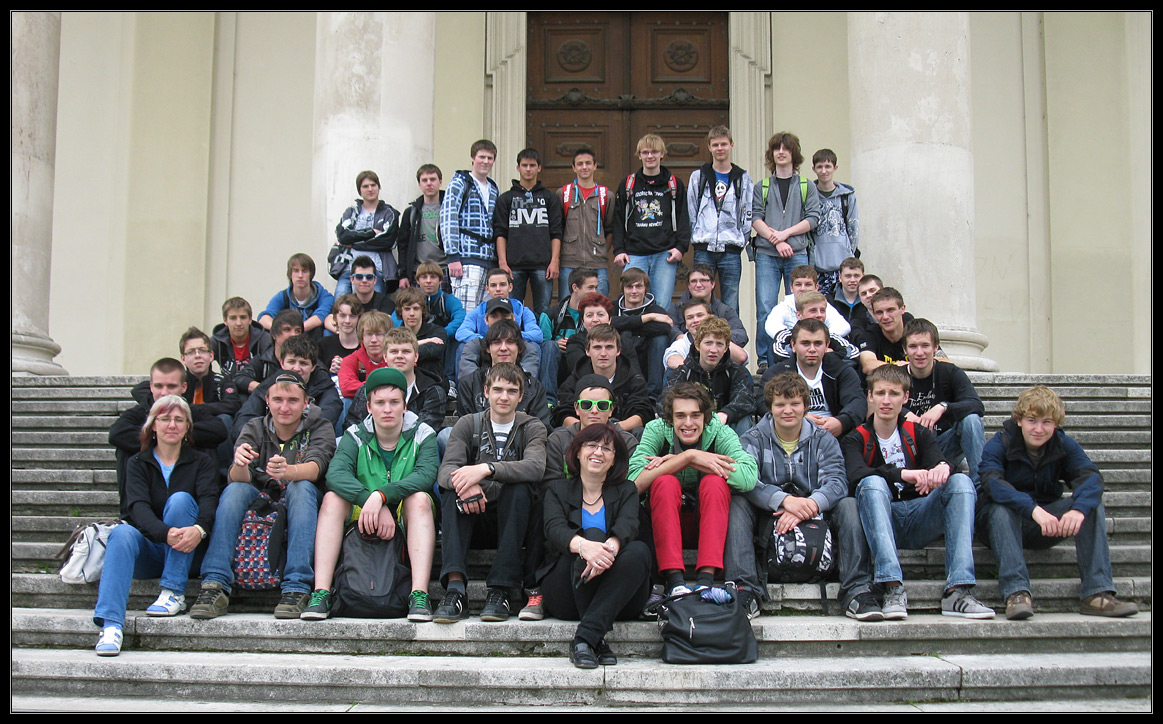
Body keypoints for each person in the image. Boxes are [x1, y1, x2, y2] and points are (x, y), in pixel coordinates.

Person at [842, 365, 994, 620]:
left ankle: (958, 591)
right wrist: (903, 474)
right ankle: (891, 587)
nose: (886, 400)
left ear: (906, 398)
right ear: (870, 396)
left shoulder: (918, 433)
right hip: (882, 518)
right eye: (880, 393)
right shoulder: (855, 437)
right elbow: (854, 474)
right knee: (871, 483)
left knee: (961, 482)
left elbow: (937, 459)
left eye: (894, 393)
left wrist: (943, 468)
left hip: (921, 515)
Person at [977, 386, 1138, 620]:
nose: (1039, 429)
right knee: (1001, 508)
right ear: (1019, 420)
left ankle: (1096, 593)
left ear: (1055, 424)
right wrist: (1033, 509)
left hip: (1045, 525)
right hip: (998, 525)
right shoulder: (1000, 443)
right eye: (1032, 421)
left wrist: (1078, 510)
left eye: (1047, 422)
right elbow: (992, 483)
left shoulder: (1063, 445)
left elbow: (1091, 477)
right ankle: (1017, 593)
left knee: (1091, 504)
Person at [727, 373, 876, 620]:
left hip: (815, 514)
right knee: (738, 503)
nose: (788, 410)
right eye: (780, 404)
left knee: (849, 505)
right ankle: (745, 589)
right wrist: (784, 500)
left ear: (806, 406)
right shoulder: (752, 439)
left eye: (795, 403)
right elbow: (747, 482)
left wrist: (810, 504)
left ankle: (857, 590)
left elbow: (837, 481)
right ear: (770, 407)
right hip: (769, 515)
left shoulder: (824, 439)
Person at [189, 372, 335, 621]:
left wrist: (288, 471)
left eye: (293, 400)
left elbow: (316, 468)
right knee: (234, 490)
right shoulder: (254, 426)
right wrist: (240, 463)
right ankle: (215, 584)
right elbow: (237, 478)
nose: (284, 407)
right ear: (267, 400)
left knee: (301, 487)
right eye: (278, 400)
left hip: (303, 500)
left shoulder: (320, 426)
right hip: (262, 497)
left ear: (305, 402)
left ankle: (297, 586)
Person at [300, 367, 439, 622]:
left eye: (394, 402)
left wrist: (382, 496)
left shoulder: (423, 434)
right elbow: (336, 475)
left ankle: (419, 595)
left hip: (403, 511)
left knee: (420, 499)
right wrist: (370, 500)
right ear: (368, 407)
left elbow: (426, 475)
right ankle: (321, 592)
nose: (387, 409)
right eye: (380, 403)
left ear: (405, 406)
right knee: (332, 499)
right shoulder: (354, 435)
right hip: (362, 510)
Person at [93, 395, 218, 656]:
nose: (172, 425)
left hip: (190, 551)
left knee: (181, 500)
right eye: (165, 419)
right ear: (153, 426)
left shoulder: (201, 461)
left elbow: (209, 501)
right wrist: (164, 533)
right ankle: (111, 625)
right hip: (152, 550)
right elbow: (137, 508)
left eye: (179, 420)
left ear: (187, 427)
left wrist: (199, 530)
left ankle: (173, 592)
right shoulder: (137, 463)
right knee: (121, 532)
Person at [434, 362, 548, 623]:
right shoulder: (468, 423)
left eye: (511, 391)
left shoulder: (532, 426)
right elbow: (445, 471)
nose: (504, 397)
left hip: (513, 522)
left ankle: (500, 590)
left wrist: (486, 469)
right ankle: (455, 590)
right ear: (486, 392)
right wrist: (465, 485)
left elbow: (535, 467)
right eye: (498, 389)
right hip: (474, 518)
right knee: (452, 491)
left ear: (521, 396)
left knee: (519, 488)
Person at [538, 423, 652, 669]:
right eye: (591, 445)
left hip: (620, 595)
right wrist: (584, 547)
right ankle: (594, 636)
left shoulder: (627, 490)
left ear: (614, 459)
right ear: (578, 452)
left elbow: (629, 525)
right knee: (590, 537)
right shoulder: (557, 490)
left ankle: (586, 638)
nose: (598, 452)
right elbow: (554, 529)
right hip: (566, 592)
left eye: (607, 448)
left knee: (639, 551)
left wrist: (605, 550)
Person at [628, 382, 758, 595]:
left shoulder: (719, 431)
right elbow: (633, 483)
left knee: (715, 482)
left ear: (706, 417)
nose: (688, 423)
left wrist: (695, 461)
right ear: (670, 419)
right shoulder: (656, 429)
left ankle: (706, 578)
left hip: (707, 522)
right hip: (662, 522)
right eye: (680, 416)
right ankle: (675, 581)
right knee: (664, 482)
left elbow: (748, 477)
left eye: (695, 415)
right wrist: (687, 458)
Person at [108, 359, 228, 519]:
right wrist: (162, 439)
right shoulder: (139, 412)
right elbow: (116, 434)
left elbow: (219, 431)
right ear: (151, 387)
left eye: (171, 386)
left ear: (184, 387)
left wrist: (176, 436)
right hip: (149, 481)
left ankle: (205, 514)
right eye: (159, 386)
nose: (164, 393)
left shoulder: (194, 412)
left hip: (186, 494)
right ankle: (129, 516)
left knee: (208, 444)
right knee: (124, 449)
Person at [751, 131, 821, 367]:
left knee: (802, 304)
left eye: (786, 148)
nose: (781, 152)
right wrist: (776, 240)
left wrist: (785, 234)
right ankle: (766, 359)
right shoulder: (762, 186)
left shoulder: (806, 186)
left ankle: (797, 353)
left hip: (797, 252)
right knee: (765, 307)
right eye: (776, 149)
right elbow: (755, 218)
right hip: (767, 254)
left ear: (794, 153)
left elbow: (813, 218)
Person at [902, 318, 986, 483]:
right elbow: (875, 403)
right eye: (913, 346)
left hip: (943, 445)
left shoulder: (950, 372)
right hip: (908, 450)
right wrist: (903, 413)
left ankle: (980, 485)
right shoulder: (896, 375)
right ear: (905, 349)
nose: (919, 352)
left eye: (925, 345)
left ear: (936, 347)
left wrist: (943, 407)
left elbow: (976, 405)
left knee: (971, 420)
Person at [612, 133, 691, 306]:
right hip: (634, 254)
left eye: (654, 152)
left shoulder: (674, 184)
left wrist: (681, 247)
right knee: (632, 302)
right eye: (645, 152)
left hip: (664, 254)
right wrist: (619, 250)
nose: (650, 156)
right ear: (639, 155)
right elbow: (618, 219)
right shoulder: (628, 184)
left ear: (662, 154)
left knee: (661, 304)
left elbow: (683, 218)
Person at [686, 126, 754, 314]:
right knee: (699, 299)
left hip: (731, 249)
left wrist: (740, 239)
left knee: (731, 300)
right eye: (715, 145)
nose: (720, 148)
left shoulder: (742, 178)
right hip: (704, 248)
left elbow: (748, 212)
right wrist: (697, 236)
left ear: (731, 145)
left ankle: (731, 333)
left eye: (723, 144)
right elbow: (691, 210)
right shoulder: (698, 176)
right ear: (709, 147)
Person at [761, 318, 866, 438]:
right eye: (805, 343)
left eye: (818, 343)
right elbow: (763, 403)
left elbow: (857, 401)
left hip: (833, 434)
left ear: (827, 345)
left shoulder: (841, 370)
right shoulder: (777, 373)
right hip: (789, 432)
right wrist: (799, 417)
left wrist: (841, 422)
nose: (812, 349)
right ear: (793, 345)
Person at [494, 147, 563, 318]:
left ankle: (541, 336)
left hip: (543, 264)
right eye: (524, 165)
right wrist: (503, 262)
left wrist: (554, 261)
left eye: (532, 165)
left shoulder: (550, 198)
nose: (528, 169)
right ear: (518, 168)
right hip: (513, 265)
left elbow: (556, 232)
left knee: (543, 311)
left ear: (539, 167)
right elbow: (500, 233)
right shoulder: (506, 199)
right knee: (512, 309)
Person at [232, 334, 343, 438]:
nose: (297, 368)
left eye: (303, 363)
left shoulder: (324, 385)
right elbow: (245, 418)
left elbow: (327, 416)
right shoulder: (269, 385)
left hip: (309, 442)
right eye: (291, 362)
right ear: (282, 363)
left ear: (313, 366)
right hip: (269, 441)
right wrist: (250, 441)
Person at [342, 327, 447, 434]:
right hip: (370, 442)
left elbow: (424, 432)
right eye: (394, 351)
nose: (399, 356)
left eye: (406, 351)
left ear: (416, 357)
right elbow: (352, 425)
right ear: (385, 357)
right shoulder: (369, 388)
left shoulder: (432, 391)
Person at [554, 323, 653, 434]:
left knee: (640, 432)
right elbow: (563, 414)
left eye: (609, 347)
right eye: (597, 347)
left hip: (622, 433)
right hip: (583, 433)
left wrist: (611, 429)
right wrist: (589, 429)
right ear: (587, 351)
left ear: (618, 351)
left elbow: (642, 414)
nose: (603, 353)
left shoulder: (634, 379)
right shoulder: (575, 379)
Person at [664, 316, 754, 435]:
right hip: (691, 427)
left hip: (725, 427)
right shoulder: (682, 372)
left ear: (726, 348)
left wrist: (725, 414)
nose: (713, 350)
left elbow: (745, 399)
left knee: (744, 419)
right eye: (708, 343)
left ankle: (741, 448)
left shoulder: (736, 372)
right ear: (697, 345)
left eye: (719, 344)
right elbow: (664, 403)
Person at [456, 319, 552, 430]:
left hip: (523, 440)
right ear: (488, 348)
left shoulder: (534, 387)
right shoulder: (471, 383)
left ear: (520, 348)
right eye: (497, 342)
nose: (503, 348)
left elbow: (540, 429)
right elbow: (465, 428)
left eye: (510, 342)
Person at [441, 139, 499, 311]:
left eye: (490, 158)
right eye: (482, 157)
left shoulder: (493, 188)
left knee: (486, 313)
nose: (485, 162)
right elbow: (448, 218)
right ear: (473, 158)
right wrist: (453, 256)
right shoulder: (460, 183)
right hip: (466, 259)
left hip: (489, 260)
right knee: (467, 311)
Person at [455, 269, 543, 378]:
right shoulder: (479, 310)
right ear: (487, 289)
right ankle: (461, 386)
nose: (498, 289)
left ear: (510, 287)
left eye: (502, 285)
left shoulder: (522, 310)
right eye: (493, 285)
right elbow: (461, 332)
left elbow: (537, 334)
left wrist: (511, 338)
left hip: (513, 349)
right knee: (462, 347)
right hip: (486, 348)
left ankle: (531, 385)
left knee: (534, 346)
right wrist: (489, 340)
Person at [333, 170, 400, 296]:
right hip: (349, 270)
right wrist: (371, 233)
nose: (370, 189)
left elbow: (387, 241)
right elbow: (343, 236)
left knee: (375, 307)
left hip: (376, 272)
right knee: (340, 303)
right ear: (359, 190)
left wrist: (354, 243)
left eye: (373, 185)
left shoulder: (389, 213)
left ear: (379, 187)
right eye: (365, 186)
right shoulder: (351, 212)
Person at [666, 263, 749, 362]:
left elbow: (740, 334)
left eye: (703, 280)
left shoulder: (724, 310)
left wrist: (717, 340)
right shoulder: (676, 308)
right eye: (693, 281)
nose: (698, 285)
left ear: (713, 284)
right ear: (688, 285)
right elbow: (670, 327)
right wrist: (680, 337)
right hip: (685, 353)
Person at [559, 146, 613, 297]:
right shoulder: (564, 194)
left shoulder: (605, 195)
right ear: (573, 167)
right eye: (580, 164)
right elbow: (557, 229)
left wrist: (601, 250)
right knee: (568, 304)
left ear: (595, 166)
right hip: (569, 263)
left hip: (597, 264)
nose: (584, 167)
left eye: (588, 163)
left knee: (599, 304)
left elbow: (610, 229)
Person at [539, 268, 599, 402]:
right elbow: (542, 345)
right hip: (558, 364)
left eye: (596, 287)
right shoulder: (550, 315)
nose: (595, 292)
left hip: (582, 362)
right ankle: (548, 401)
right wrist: (555, 344)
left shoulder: (597, 316)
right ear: (575, 287)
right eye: (590, 287)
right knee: (549, 346)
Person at [809, 149, 860, 297]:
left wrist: (849, 254)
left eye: (828, 166)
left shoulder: (847, 196)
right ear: (814, 169)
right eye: (820, 167)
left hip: (842, 263)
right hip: (818, 263)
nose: (824, 171)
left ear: (835, 168)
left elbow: (853, 228)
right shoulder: (809, 195)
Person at [414, 260, 465, 397]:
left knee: (456, 340)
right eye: (424, 277)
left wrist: (442, 334)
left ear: (440, 280)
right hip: (419, 340)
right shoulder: (412, 300)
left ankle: (450, 381)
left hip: (444, 342)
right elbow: (397, 319)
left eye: (433, 277)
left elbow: (460, 317)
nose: (428, 281)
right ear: (418, 280)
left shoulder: (449, 300)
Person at [256, 253, 333, 341]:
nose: (300, 275)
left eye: (304, 271)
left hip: (314, 341)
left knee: (327, 332)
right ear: (290, 274)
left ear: (311, 274)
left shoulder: (325, 296)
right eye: (296, 271)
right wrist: (283, 331)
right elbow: (264, 318)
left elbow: (320, 317)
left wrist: (296, 331)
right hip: (288, 343)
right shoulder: (283, 296)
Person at [764, 265, 851, 341]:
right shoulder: (784, 307)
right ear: (791, 288)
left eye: (808, 284)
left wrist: (819, 338)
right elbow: (771, 326)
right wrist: (797, 340)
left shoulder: (823, 305)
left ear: (816, 287)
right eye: (798, 284)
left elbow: (844, 326)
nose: (803, 289)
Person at [397, 163, 446, 287]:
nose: (429, 183)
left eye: (433, 179)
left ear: (440, 182)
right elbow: (403, 245)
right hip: (418, 272)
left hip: (445, 270)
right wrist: (403, 275)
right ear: (419, 184)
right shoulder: (411, 212)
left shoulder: (450, 209)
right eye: (424, 180)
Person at [235, 310, 303, 396]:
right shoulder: (264, 359)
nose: (293, 335)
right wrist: (268, 390)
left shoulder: (309, 361)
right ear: (274, 334)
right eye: (287, 330)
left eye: (298, 331)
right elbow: (239, 378)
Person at [393, 286, 449, 387]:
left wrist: (401, 351)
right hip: (401, 386)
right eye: (407, 309)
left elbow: (433, 351)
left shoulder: (437, 331)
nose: (411, 314)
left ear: (422, 310)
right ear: (400, 311)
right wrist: (423, 342)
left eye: (416, 309)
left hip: (432, 386)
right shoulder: (394, 335)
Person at [324, 255, 394, 333]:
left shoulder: (385, 303)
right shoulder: (346, 301)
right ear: (352, 279)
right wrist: (342, 332)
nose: (364, 280)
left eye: (369, 277)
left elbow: (385, 325)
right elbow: (328, 320)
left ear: (375, 280)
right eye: (359, 277)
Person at [211, 297, 272, 385]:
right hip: (228, 389)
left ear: (250, 319)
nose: (238, 323)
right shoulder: (217, 341)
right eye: (233, 318)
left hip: (257, 388)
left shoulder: (265, 340)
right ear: (225, 320)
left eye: (243, 317)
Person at [337, 310, 394, 400]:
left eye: (379, 334)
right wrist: (382, 385)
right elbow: (346, 388)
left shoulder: (397, 357)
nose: (374, 340)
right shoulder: (350, 360)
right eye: (369, 334)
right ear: (362, 337)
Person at [318, 294, 363, 374]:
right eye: (342, 316)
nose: (347, 321)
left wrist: (346, 366)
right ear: (335, 317)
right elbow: (317, 374)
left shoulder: (365, 346)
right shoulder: (323, 345)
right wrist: (330, 371)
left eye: (352, 316)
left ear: (358, 318)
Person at [830, 257, 867, 327]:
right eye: (848, 276)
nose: (852, 280)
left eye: (856, 276)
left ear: (863, 277)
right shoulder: (829, 301)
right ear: (840, 277)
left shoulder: (869, 300)